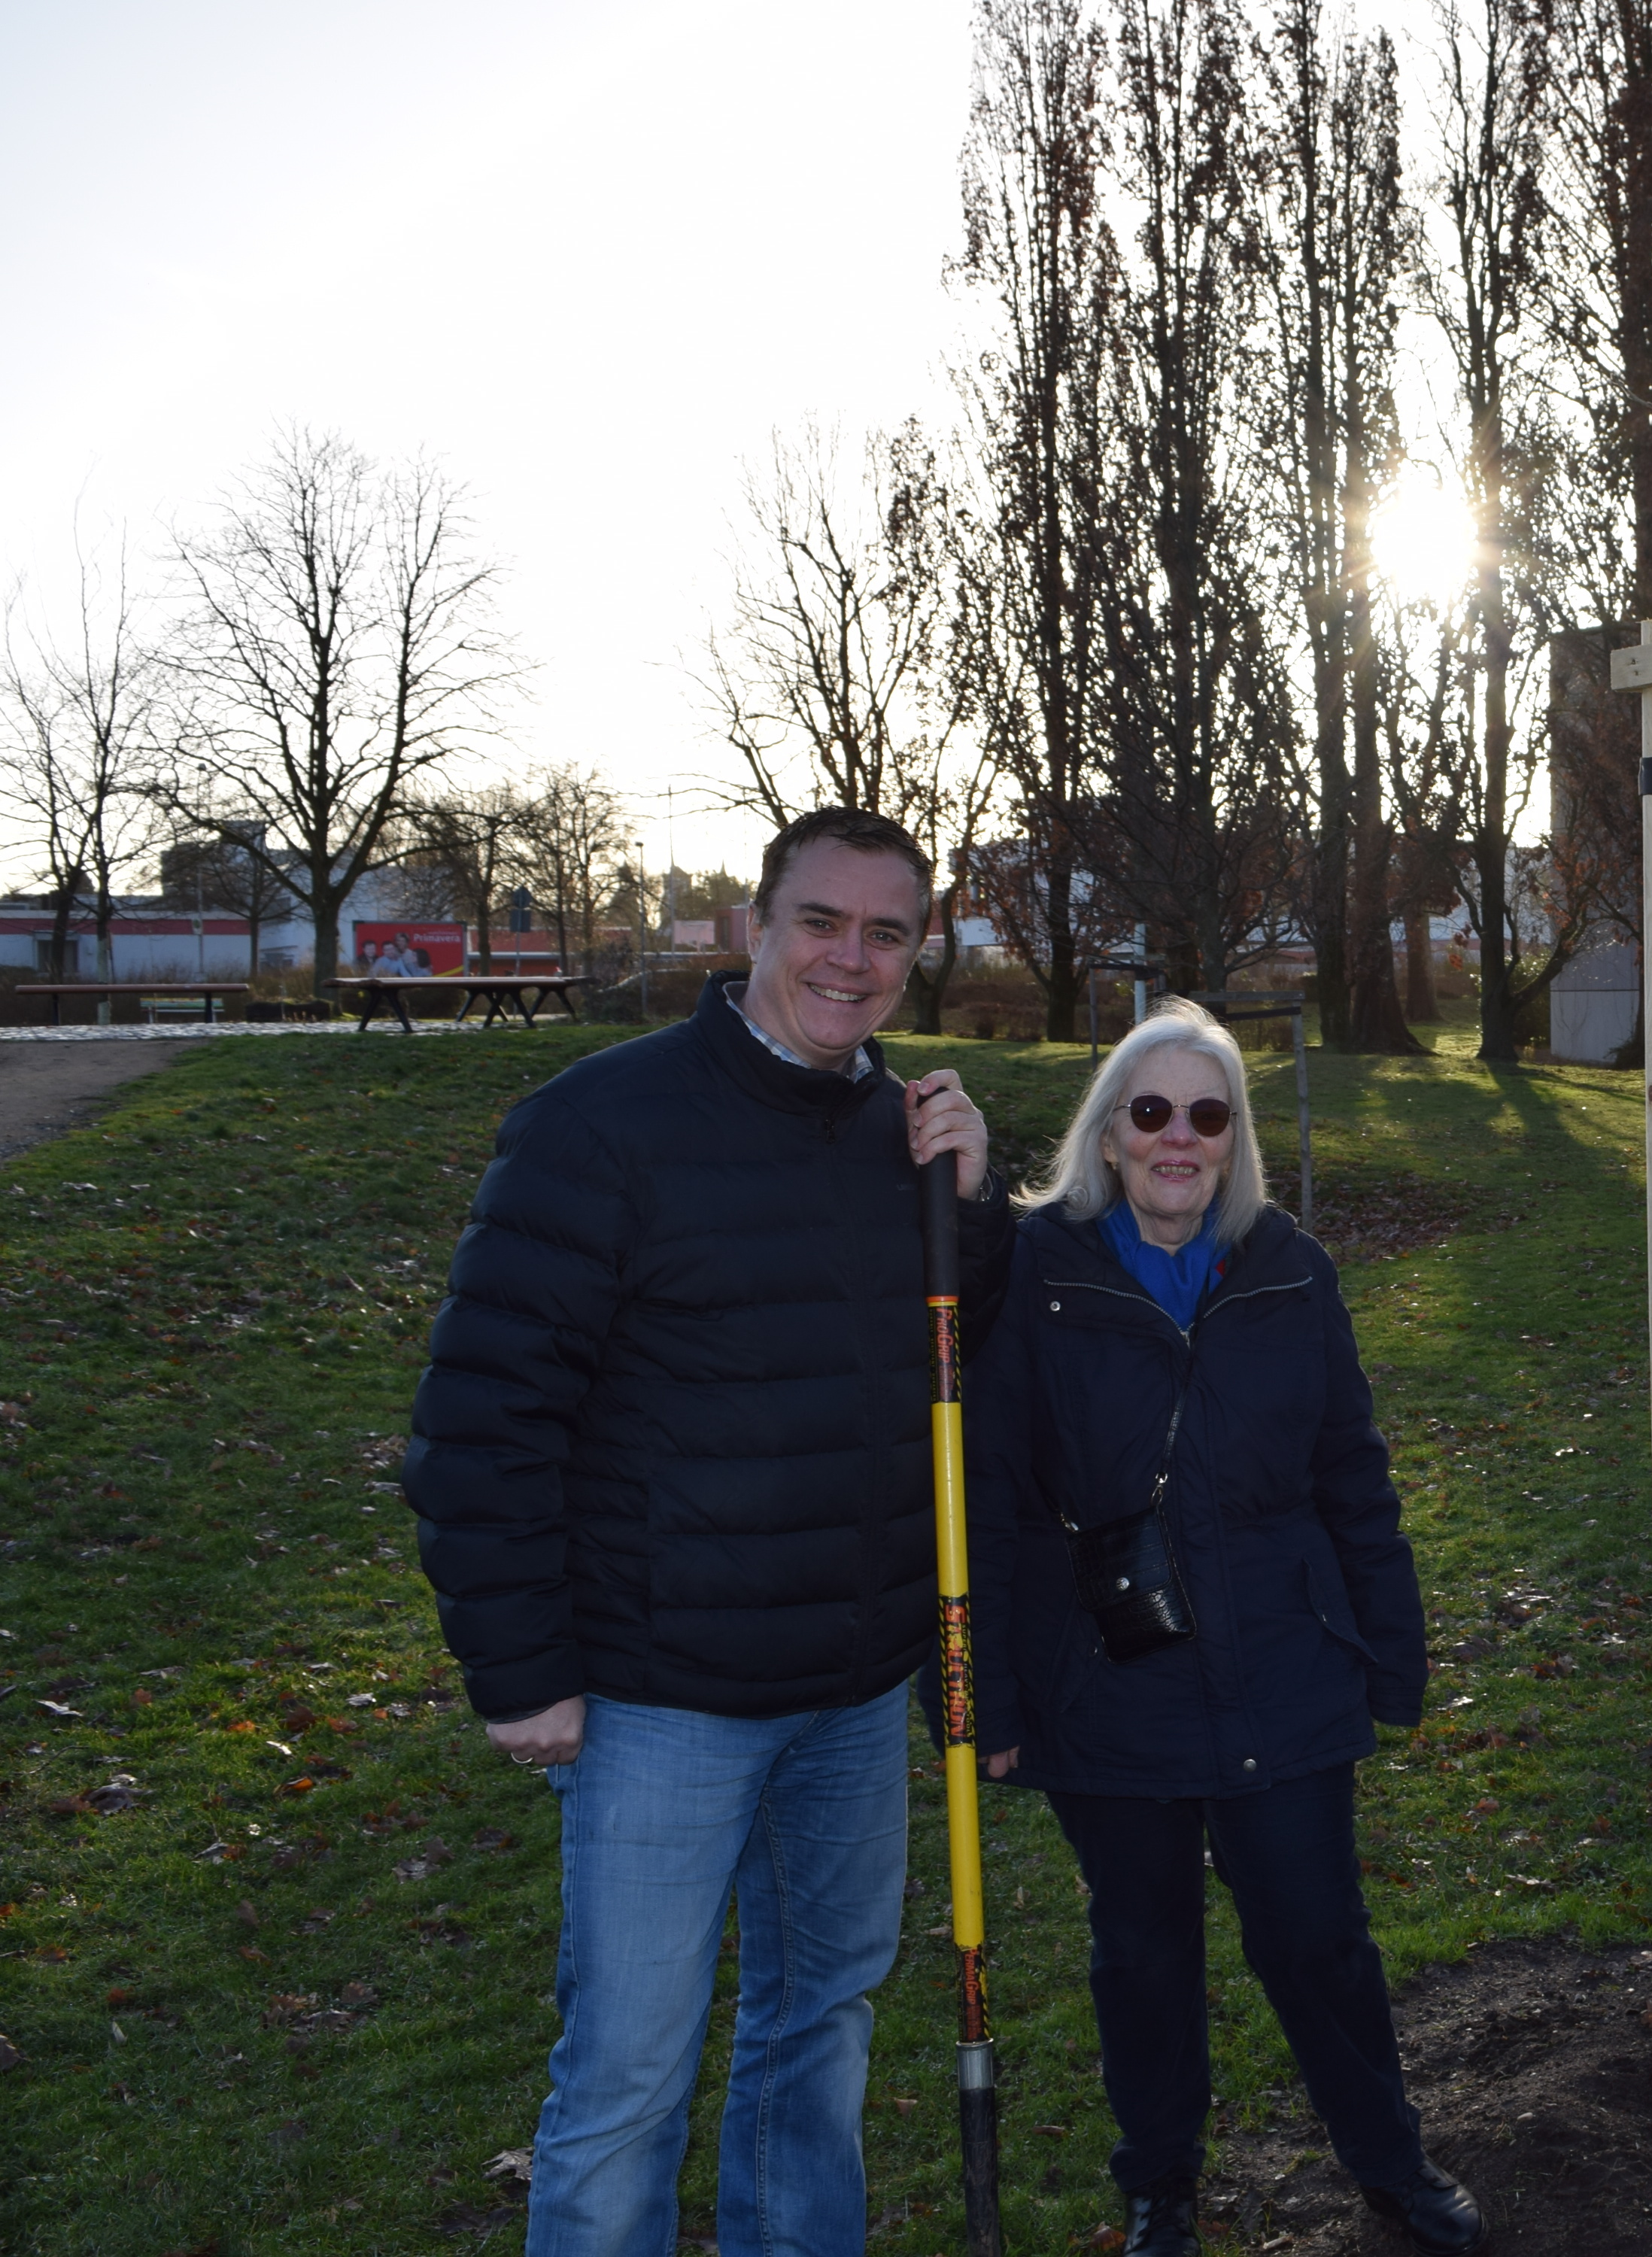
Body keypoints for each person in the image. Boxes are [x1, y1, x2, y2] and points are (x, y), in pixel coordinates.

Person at [405, 806, 1013, 2256]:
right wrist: (521, 1668)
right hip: (658, 1699)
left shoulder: (905, 1134)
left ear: (917, 954)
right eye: (822, 922)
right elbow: (484, 1416)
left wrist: (976, 1210)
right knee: (627, 2078)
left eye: (886, 934)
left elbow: (949, 1373)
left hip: (852, 1695)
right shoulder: (603, 1124)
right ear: (756, 925)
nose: (850, 960)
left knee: (819, 2034)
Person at [961, 999, 1477, 2257]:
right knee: (1141, 1954)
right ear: (1110, 1133)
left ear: (1237, 1137)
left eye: (1209, 1114)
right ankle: (1160, 2188)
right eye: (1152, 1112)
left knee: (1319, 1940)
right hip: (1108, 1676)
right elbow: (984, 1496)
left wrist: (1392, 1649)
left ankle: (1390, 2162)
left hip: (1283, 1666)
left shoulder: (1291, 1268)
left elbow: (1352, 1472)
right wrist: (983, 1698)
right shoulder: (1034, 1274)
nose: (1179, 1138)